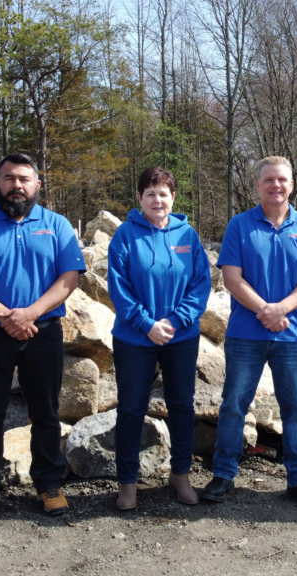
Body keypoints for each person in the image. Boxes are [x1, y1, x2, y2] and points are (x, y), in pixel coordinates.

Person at [0, 153, 86, 518]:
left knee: (45, 412)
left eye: (24, 179)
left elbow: (69, 278)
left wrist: (30, 314)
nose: (16, 186)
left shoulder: (57, 225)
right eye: (9, 178)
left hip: (43, 333)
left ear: (37, 185)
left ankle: (49, 484)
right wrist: (6, 317)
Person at [201, 156, 297, 508]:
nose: (276, 185)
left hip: (292, 334)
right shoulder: (240, 226)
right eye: (268, 180)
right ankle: (223, 475)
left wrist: (281, 309)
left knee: (296, 409)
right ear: (257, 185)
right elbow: (231, 278)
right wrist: (264, 310)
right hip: (246, 334)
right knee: (233, 406)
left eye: (282, 180)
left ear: (292, 184)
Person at [106, 166, 211, 510]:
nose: (157, 200)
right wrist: (146, 323)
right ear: (139, 199)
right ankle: (128, 483)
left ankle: (180, 474)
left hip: (180, 337)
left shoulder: (187, 236)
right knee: (132, 408)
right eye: (150, 194)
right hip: (135, 338)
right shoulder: (125, 236)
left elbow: (200, 284)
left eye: (163, 193)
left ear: (173, 198)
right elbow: (118, 287)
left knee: (181, 405)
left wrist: (176, 320)